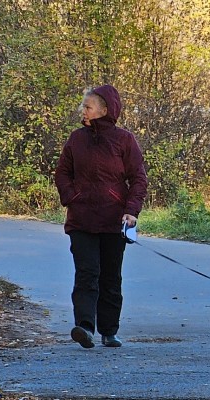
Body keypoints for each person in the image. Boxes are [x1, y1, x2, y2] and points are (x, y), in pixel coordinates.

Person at [55, 84, 148, 348]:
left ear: (104, 110)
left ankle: (109, 331)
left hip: (114, 221)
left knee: (110, 277)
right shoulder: (76, 139)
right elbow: (62, 173)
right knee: (86, 273)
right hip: (81, 220)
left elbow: (138, 178)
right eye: (83, 106)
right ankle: (84, 327)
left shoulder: (124, 140)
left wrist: (131, 210)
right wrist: (72, 196)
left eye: (88, 107)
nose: (82, 111)